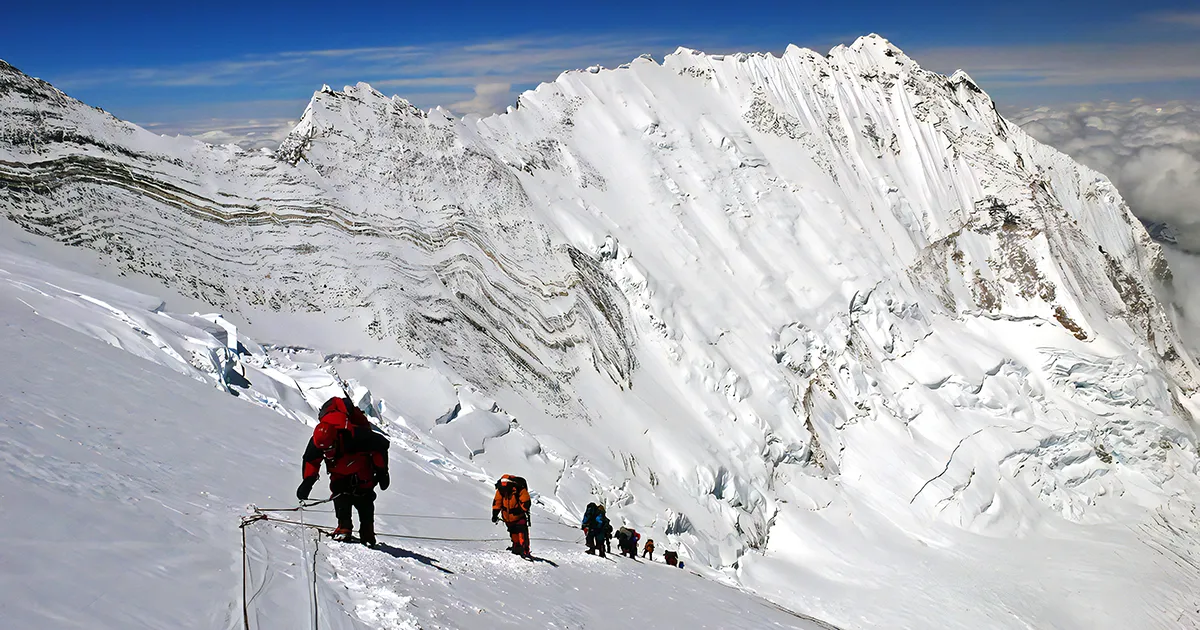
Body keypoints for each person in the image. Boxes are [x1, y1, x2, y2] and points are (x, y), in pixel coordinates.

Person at [297, 396, 390, 547]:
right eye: (323, 451)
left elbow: (381, 444)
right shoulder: (318, 442)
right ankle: (344, 527)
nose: (326, 453)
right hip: (340, 471)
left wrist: (382, 472)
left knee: (364, 496)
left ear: (335, 439)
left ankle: (367, 531)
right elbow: (311, 460)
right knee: (340, 493)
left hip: (361, 469)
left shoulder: (355, 436)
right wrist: (308, 481)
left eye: (329, 449)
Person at [492, 474, 532, 557]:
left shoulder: (519, 489)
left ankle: (524, 550)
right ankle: (517, 548)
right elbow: (497, 502)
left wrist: (519, 510)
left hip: (519, 517)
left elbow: (526, 502)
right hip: (508, 518)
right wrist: (495, 514)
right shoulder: (500, 490)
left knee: (522, 534)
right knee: (513, 533)